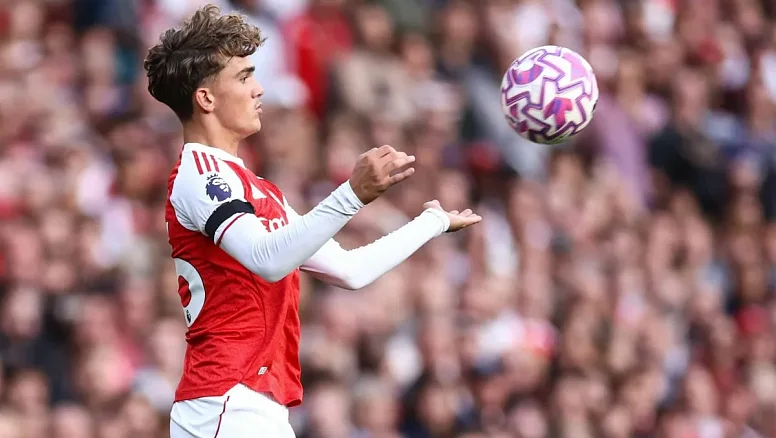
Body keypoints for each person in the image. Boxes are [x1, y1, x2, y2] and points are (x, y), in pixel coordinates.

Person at [143, 5, 482, 438]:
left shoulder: (260, 191)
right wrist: (351, 194)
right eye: (244, 78)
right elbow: (266, 260)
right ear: (206, 98)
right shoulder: (199, 172)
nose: (259, 89)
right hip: (223, 402)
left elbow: (349, 270)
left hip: (256, 406)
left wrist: (430, 223)